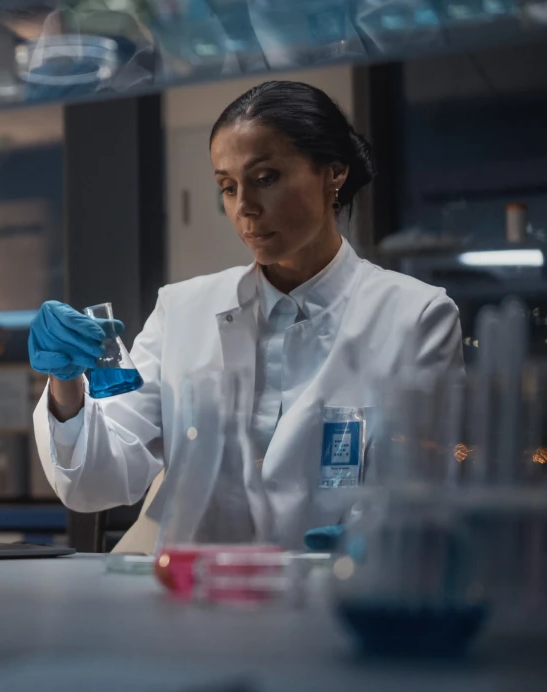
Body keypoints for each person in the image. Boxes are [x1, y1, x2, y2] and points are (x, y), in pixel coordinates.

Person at [29, 80, 464, 551]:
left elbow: (421, 488)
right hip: (183, 592)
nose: (245, 208)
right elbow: (99, 482)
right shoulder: (182, 310)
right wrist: (66, 385)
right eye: (228, 187)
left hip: (323, 595)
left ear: (333, 172)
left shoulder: (416, 315)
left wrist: (374, 537)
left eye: (266, 178)